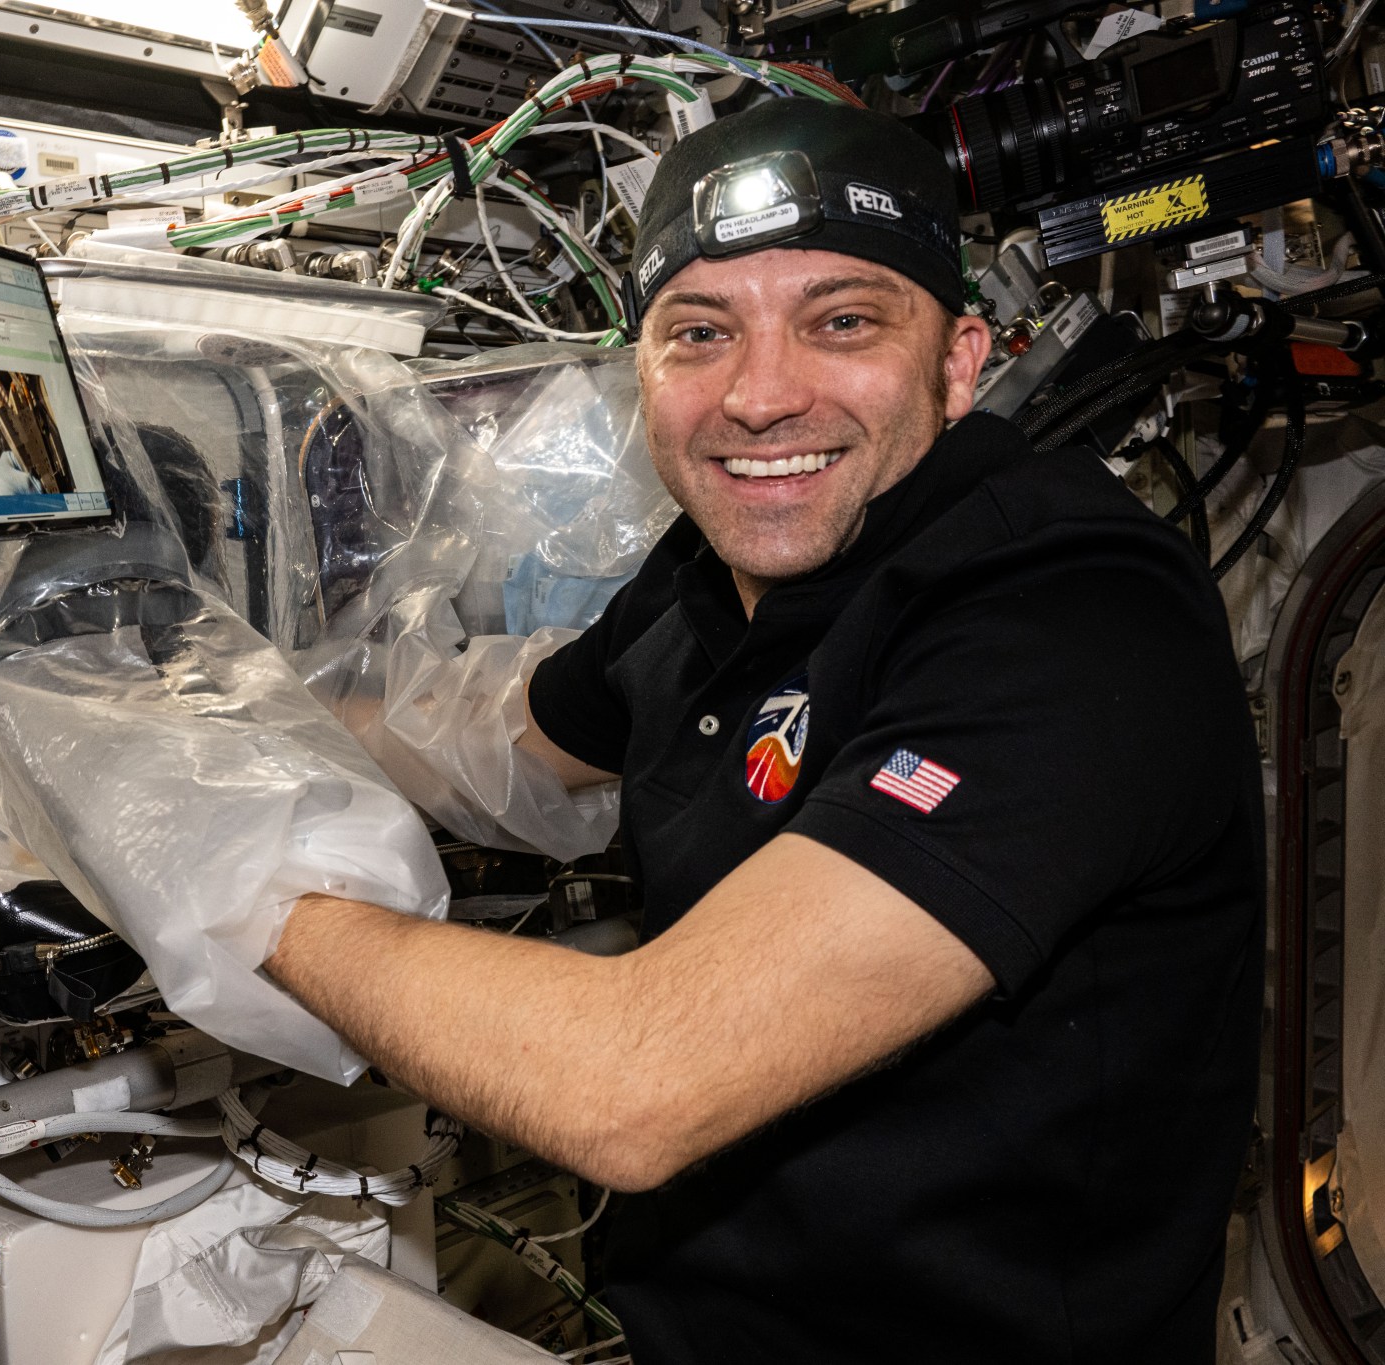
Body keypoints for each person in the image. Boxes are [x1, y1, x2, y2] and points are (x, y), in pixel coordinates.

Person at [265, 99, 1265, 1361]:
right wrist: (220, 724)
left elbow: (633, 1083)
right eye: (698, 334)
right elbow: (500, 742)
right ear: (643, 377)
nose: (758, 396)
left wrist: (235, 897)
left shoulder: (1067, 614)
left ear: (958, 363)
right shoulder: (708, 579)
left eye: (840, 322)